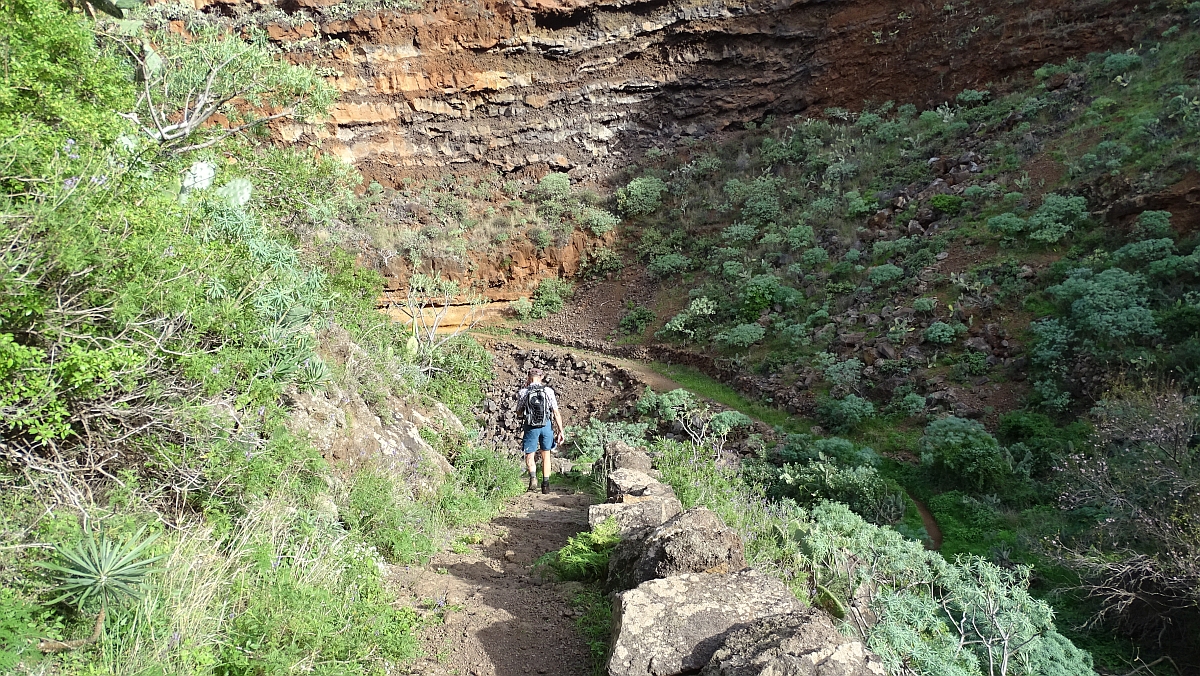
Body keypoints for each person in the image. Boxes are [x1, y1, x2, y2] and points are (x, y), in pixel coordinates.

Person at [516, 368, 565, 494]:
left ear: (528, 377)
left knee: (529, 454)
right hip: (546, 426)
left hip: (530, 427)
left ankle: (533, 479)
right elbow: (556, 413)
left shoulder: (523, 392)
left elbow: (519, 412)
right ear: (541, 377)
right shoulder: (548, 391)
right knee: (546, 455)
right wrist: (560, 431)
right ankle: (546, 484)